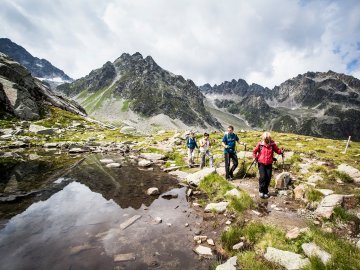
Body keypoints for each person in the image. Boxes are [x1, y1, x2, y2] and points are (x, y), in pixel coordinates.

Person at [252, 132, 283, 199]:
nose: (267, 139)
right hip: (261, 163)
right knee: (263, 177)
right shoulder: (260, 144)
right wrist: (254, 157)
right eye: (265, 138)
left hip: (269, 163)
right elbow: (254, 151)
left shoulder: (272, 144)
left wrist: (281, 151)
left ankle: (265, 191)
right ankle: (261, 191)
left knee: (268, 178)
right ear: (263, 138)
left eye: (268, 138)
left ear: (269, 138)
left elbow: (277, 150)